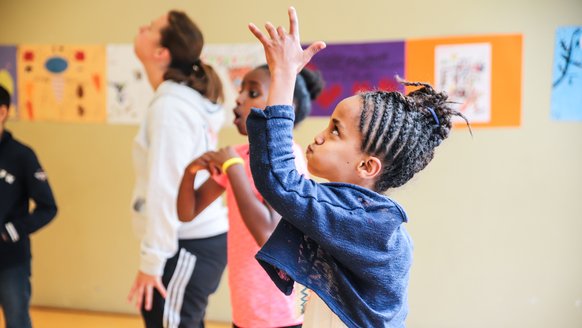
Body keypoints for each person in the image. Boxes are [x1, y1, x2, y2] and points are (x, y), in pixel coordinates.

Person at [246, 8, 470, 327]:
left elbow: (281, 181)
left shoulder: (365, 223)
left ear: (367, 166)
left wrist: (283, 75)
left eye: (336, 130)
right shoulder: (363, 214)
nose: (320, 137)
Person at [176, 63, 323, 328]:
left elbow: (266, 232)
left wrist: (233, 167)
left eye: (252, 93)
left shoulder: (286, 158)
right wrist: (190, 171)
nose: (239, 99)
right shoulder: (239, 154)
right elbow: (187, 212)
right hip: (245, 308)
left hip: (278, 310)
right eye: (241, 90)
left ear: (283, 104)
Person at [127, 10, 228, 328]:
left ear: (161, 53)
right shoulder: (176, 101)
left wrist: (152, 260)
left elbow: (165, 188)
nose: (143, 26)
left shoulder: (171, 107)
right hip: (188, 244)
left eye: (152, 27)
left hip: (187, 244)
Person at [0, 84, 58, 328]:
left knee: (17, 321)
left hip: (11, 260)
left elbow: (48, 207)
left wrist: (11, 231)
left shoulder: (22, 156)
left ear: (2, 112)